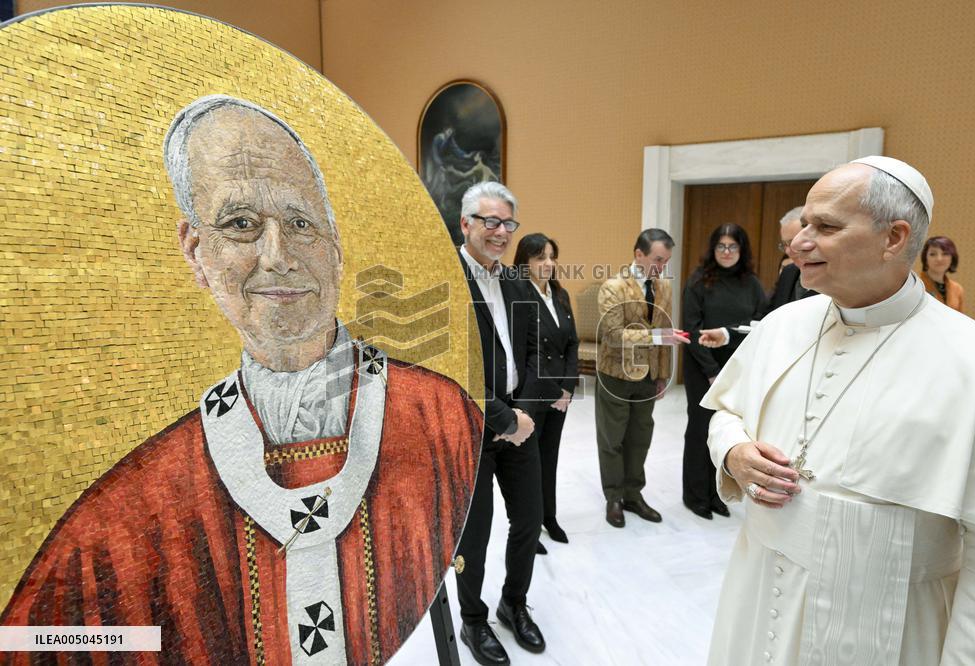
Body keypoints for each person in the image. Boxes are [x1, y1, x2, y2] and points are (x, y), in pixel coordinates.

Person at [1, 96, 483, 666]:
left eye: (301, 223)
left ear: (335, 245)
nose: (279, 256)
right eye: (241, 225)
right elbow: (35, 643)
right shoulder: (130, 510)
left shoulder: (440, 416)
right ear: (195, 252)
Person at [703, 156, 975, 665]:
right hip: (756, 596)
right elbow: (726, 411)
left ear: (893, 237)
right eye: (803, 224)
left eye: (826, 226)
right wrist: (732, 451)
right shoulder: (782, 324)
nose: (798, 241)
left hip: (888, 629)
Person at [456, 182, 556, 666]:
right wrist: (500, 417)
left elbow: (538, 353)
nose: (500, 232)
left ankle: (513, 603)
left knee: (529, 522)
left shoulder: (517, 282)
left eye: (507, 224)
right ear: (466, 224)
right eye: (490, 221)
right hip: (469, 433)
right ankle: (473, 620)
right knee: (473, 536)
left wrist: (526, 417)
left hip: (521, 428)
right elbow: (453, 366)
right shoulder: (446, 279)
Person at [595, 228, 689, 528]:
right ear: (639, 254)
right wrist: (658, 337)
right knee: (613, 439)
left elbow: (666, 327)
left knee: (640, 438)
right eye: (657, 260)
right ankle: (613, 497)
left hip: (647, 376)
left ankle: (633, 495)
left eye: (666, 261)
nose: (661, 267)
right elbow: (612, 336)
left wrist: (662, 376)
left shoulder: (664, 287)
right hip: (615, 373)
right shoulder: (613, 286)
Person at [681, 224, 766, 520]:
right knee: (700, 427)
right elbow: (691, 330)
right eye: (721, 246)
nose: (727, 252)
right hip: (702, 366)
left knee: (727, 428)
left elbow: (760, 325)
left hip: (738, 367)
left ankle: (717, 494)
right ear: (712, 249)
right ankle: (695, 496)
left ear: (742, 251)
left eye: (733, 247)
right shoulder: (698, 281)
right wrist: (711, 371)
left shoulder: (752, 284)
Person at [513, 233, 579, 550]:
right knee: (530, 463)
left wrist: (567, 388)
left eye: (551, 256)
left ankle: (549, 518)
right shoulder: (518, 295)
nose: (548, 264)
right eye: (540, 257)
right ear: (525, 263)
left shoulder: (561, 295)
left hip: (560, 396)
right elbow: (525, 352)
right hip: (533, 393)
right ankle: (531, 523)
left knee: (550, 459)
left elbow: (572, 344)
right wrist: (554, 390)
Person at [764, 206, 817, 314]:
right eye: (784, 244)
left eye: (793, 241)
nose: (788, 251)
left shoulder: (831, 275)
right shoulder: (788, 272)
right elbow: (765, 316)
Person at [919, 235, 965, 312]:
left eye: (945, 254)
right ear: (925, 258)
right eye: (933, 254)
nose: (939, 259)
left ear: (952, 258)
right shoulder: (916, 285)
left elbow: (960, 319)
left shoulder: (957, 289)